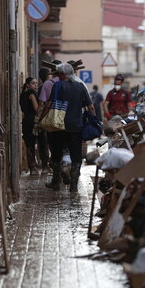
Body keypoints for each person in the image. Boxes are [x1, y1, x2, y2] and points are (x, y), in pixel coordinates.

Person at [40, 63, 95, 192]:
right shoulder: (81, 87)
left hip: (58, 126)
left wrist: (42, 119)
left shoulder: (58, 85)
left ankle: (56, 182)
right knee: (76, 156)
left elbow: (49, 104)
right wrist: (93, 120)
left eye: (59, 74)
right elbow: (90, 106)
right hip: (76, 126)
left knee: (56, 154)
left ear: (64, 74)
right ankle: (74, 186)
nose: (58, 76)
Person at [19, 77, 39, 175]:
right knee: (32, 144)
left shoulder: (23, 94)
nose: (35, 85)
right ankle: (33, 167)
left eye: (36, 83)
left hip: (26, 120)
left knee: (29, 144)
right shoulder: (31, 93)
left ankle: (32, 167)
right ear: (28, 85)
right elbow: (36, 108)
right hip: (32, 121)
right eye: (33, 83)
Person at [36, 67, 52, 174]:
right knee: (45, 142)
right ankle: (46, 165)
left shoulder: (43, 86)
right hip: (48, 118)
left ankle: (46, 164)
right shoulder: (46, 86)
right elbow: (41, 105)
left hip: (46, 117)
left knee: (45, 142)